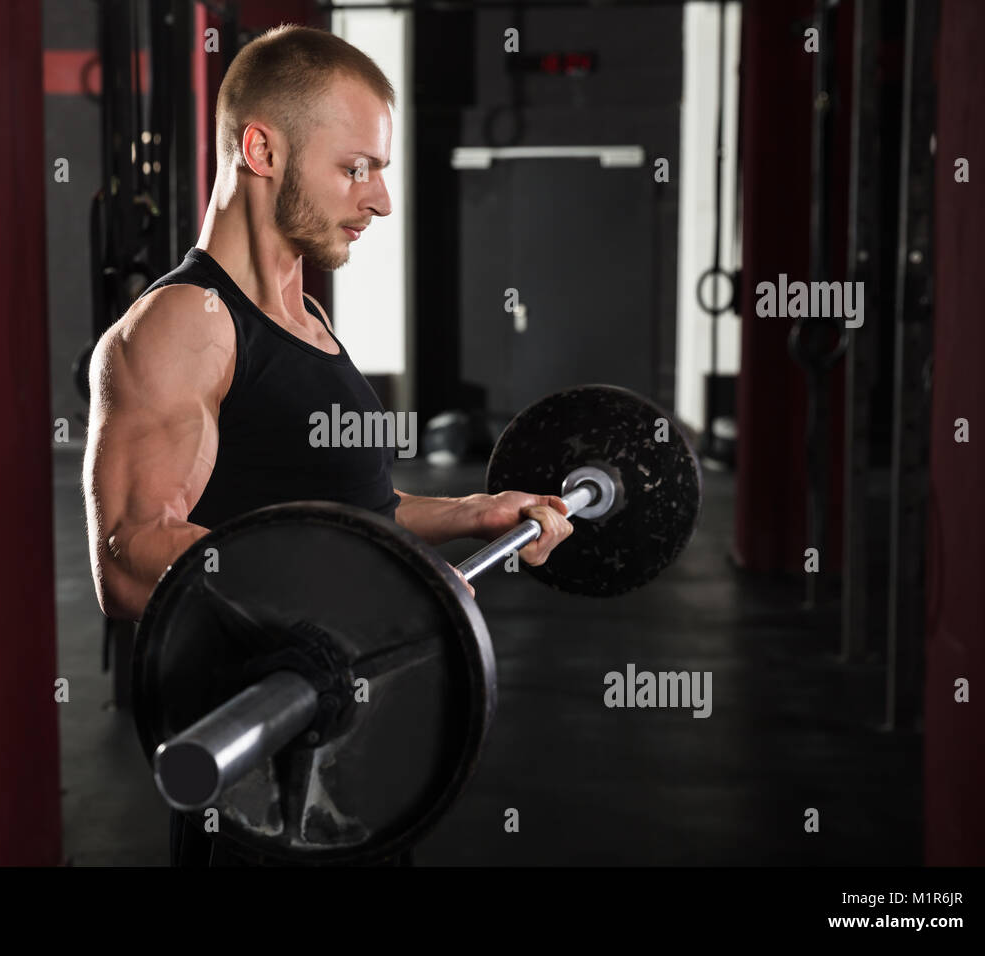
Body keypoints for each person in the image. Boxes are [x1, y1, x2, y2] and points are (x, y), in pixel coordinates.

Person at [82, 23, 573, 866]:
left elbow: (348, 517)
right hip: (254, 784)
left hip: (345, 774)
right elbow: (128, 559)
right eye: (356, 168)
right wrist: (379, 600)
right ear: (262, 149)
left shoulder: (304, 321)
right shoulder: (184, 325)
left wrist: (475, 513)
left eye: (379, 171)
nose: (379, 200)